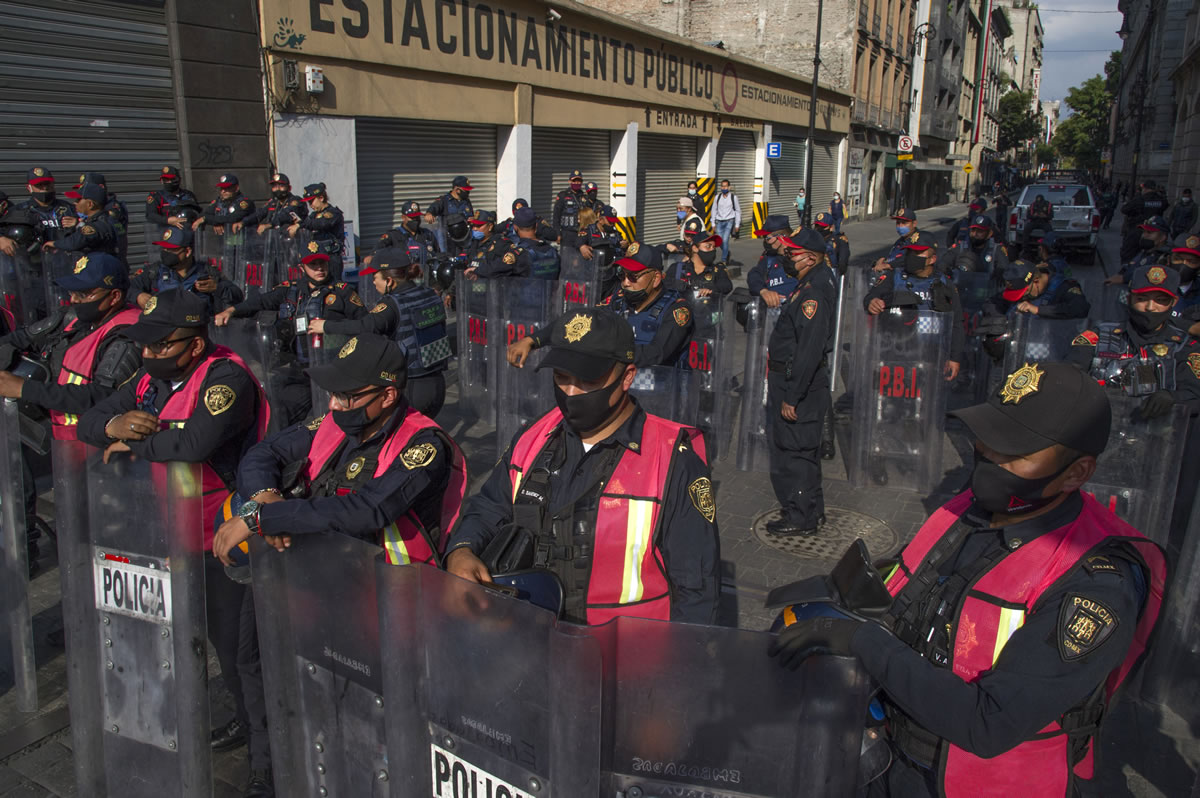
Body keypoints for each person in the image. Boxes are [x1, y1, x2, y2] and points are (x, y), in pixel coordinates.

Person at [769, 361, 1165, 798]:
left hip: (966, 780)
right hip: (886, 745)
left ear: (1076, 473)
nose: (989, 458)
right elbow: (913, 593)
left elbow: (990, 723)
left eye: (1014, 454)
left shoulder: (1097, 584)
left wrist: (861, 641)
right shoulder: (975, 509)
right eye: (987, 440)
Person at [76, 289, 271, 798]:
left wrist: (133, 441)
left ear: (195, 343)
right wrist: (114, 424)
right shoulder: (149, 378)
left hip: (223, 540)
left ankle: (265, 763)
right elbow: (94, 416)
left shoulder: (225, 378)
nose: (151, 355)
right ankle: (243, 723)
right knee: (204, 640)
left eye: (164, 346)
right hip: (168, 532)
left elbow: (194, 443)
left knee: (241, 656)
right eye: (147, 346)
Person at [445, 307, 719, 625]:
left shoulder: (673, 460)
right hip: (528, 638)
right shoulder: (533, 437)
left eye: (588, 380)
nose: (571, 392)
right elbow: (490, 505)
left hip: (625, 657)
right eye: (562, 377)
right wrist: (461, 550)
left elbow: (696, 589)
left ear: (627, 377)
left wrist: (683, 665)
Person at [214, 331, 466, 570]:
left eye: (345, 395)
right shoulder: (334, 422)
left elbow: (367, 509)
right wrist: (264, 497)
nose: (333, 404)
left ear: (387, 396)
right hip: (319, 573)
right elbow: (264, 452)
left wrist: (265, 518)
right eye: (332, 393)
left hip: (391, 590)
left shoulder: (424, 445)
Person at [0, 253, 142, 572]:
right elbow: (23, 337)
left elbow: (102, 396)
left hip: (106, 455)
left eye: (83, 293)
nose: (74, 299)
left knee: (107, 538)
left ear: (114, 296)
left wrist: (23, 389)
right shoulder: (74, 318)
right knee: (75, 533)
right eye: (72, 292)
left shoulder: (127, 333)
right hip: (67, 447)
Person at [214, 250, 366, 426]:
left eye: (322, 264)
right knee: (280, 408)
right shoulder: (291, 290)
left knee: (332, 419)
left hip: (333, 368)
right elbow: (260, 302)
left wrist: (330, 327)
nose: (319, 269)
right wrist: (231, 311)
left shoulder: (343, 292)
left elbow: (364, 324)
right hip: (299, 368)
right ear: (302, 267)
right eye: (313, 265)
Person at [761, 229, 838, 537]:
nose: (786, 256)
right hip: (792, 379)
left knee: (794, 452)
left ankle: (800, 515)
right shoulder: (811, 281)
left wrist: (792, 396)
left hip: (797, 383)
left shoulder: (813, 293)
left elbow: (808, 349)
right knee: (800, 450)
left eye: (792, 253)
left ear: (810, 257)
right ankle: (810, 510)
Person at [310, 249, 450, 418]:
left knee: (400, 440)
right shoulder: (429, 294)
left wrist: (325, 326)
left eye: (375, 278)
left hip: (411, 388)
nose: (374, 283)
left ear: (389, 281)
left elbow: (365, 326)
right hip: (438, 382)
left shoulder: (393, 304)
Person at [507, 243, 693, 369]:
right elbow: (580, 319)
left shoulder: (677, 310)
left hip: (664, 401)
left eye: (633, 277)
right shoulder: (618, 301)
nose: (625, 283)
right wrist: (532, 340)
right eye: (622, 275)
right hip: (625, 396)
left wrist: (602, 350)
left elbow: (655, 354)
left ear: (656, 279)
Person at [1070, 265, 1200, 413]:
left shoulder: (1184, 346)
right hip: (1098, 424)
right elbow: (1069, 377)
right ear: (1130, 298)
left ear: (1173, 302)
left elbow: (1194, 393)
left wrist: (1173, 398)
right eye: (1142, 299)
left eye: (1160, 300)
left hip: (1156, 431)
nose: (1150, 307)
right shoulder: (1097, 337)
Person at [863, 231, 964, 380]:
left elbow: (956, 323)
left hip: (931, 356)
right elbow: (871, 296)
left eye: (918, 253)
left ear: (932, 259)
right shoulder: (894, 276)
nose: (912, 257)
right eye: (910, 252)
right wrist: (872, 302)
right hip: (895, 352)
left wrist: (954, 357)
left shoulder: (944, 283)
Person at [129, 227, 243, 313]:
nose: (165, 253)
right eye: (164, 249)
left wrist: (217, 288)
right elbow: (126, 288)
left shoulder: (208, 272)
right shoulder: (154, 272)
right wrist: (138, 296)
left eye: (170, 250)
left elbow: (237, 296)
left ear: (187, 252)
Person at [984, 259, 1090, 320]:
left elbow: (1081, 308)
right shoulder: (1020, 283)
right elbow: (992, 302)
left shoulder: (1064, 287)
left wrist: (1037, 310)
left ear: (1036, 281)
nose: (1021, 298)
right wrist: (997, 320)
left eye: (1023, 293)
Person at [477, 207, 561, 280]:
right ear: (536, 225)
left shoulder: (520, 254)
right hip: (549, 298)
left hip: (525, 298)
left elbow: (493, 270)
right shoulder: (553, 252)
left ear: (515, 227)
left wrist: (475, 270)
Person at [41, 183, 118, 257]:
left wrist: (53, 244)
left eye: (78, 200)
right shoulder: (104, 219)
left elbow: (74, 242)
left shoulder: (97, 225)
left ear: (90, 204)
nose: (74, 202)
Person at [66, 173, 128, 261]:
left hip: (110, 261)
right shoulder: (85, 208)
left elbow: (102, 231)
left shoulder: (112, 209)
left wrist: (79, 224)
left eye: (85, 187)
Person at [289, 183, 345, 280]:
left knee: (334, 287)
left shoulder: (333, 213)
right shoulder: (314, 215)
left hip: (331, 257)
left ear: (321, 198)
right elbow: (308, 223)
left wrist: (300, 224)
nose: (310, 205)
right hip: (318, 257)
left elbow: (321, 224)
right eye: (308, 203)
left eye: (312, 201)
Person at [664, 219, 732, 297]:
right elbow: (664, 284)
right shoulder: (678, 268)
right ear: (695, 248)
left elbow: (726, 286)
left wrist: (709, 289)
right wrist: (684, 286)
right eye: (708, 246)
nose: (712, 250)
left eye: (714, 247)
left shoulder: (718, 270)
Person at [746, 214, 799, 308]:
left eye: (767, 238)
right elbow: (754, 274)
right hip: (771, 313)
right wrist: (763, 291)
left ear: (781, 237)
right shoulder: (769, 256)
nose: (765, 242)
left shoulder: (799, 256)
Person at [371, 200, 438, 270]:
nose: (415, 220)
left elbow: (438, 254)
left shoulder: (427, 234)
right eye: (412, 218)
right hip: (404, 277)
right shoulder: (393, 235)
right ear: (403, 217)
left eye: (417, 217)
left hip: (425, 275)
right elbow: (376, 252)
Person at [17, 167, 73, 246]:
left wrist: (78, 225)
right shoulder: (19, 211)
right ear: (29, 188)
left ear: (53, 184)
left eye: (47, 183)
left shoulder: (69, 208)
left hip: (64, 255)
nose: (44, 188)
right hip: (33, 256)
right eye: (39, 185)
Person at [1107, 216, 1171, 285]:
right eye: (1144, 232)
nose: (1144, 235)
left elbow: (1152, 280)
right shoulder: (1147, 250)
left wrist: (1124, 278)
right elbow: (1132, 265)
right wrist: (1122, 273)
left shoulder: (1164, 258)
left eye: (1149, 232)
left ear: (1162, 238)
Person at [242, 172, 307, 235]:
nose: (277, 189)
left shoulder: (296, 201)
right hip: (275, 241)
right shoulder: (273, 202)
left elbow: (286, 214)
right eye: (274, 186)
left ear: (289, 188)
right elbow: (259, 213)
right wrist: (243, 222)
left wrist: (270, 224)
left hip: (294, 240)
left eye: (281, 186)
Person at [948, 214, 1008, 278]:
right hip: (963, 285)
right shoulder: (961, 247)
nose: (975, 234)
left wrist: (1001, 271)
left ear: (989, 233)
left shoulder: (996, 250)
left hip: (987, 286)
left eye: (980, 231)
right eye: (973, 230)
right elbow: (944, 262)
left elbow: (1004, 266)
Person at [425, 176, 475, 252]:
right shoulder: (444, 201)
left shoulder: (466, 201)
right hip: (448, 241)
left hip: (464, 240)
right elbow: (433, 208)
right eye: (466, 190)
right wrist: (429, 214)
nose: (468, 193)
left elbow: (470, 216)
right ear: (457, 190)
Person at [145, 165, 199, 232]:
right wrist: (168, 220)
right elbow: (151, 215)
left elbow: (198, 213)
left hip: (189, 232)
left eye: (172, 179)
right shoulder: (156, 196)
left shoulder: (189, 195)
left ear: (179, 179)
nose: (169, 182)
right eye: (166, 180)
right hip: (167, 234)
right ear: (161, 181)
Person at [552, 169, 589, 252]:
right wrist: (557, 233)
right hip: (567, 233)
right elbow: (556, 216)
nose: (577, 183)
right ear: (569, 181)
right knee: (567, 258)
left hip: (581, 233)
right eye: (574, 181)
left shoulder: (584, 197)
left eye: (579, 181)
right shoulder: (563, 196)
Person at [873, 208, 920, 273]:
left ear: (914, 223)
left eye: (904, 223)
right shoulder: (901, 241)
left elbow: (910, 259)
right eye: (898, 223)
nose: (900, 226)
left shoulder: (919, 240)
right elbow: (894, 256)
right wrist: (883, 259)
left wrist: (888, 265)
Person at [1171, 235, 1200, 332]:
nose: (1183, 265)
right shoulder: (1151, 283)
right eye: (1178, 259)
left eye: (1191, 261)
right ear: (1169, 259)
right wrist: (1189, 326)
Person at [711, 179, 742, 263]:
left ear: (729, 187)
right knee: (719, 241)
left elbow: (738, 211)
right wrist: (713, 223)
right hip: (719, 221)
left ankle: (724, 260)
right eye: (722, 186)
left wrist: (737, 225)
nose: (724, 188)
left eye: (725, 186)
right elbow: (714, 209)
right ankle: (727, 252)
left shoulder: (733, 197)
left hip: (729, 221)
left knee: (725, 240)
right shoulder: (717, 197)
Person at [812, 212, 850, 276]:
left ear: (831, 227)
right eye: (817, 226)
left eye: (823, 227)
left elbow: (842, 263)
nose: (819, 229)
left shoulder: (839, 240)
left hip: (831, 275)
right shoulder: (812, 238)